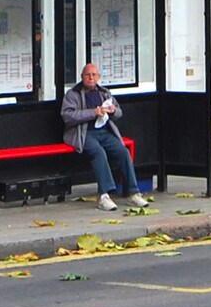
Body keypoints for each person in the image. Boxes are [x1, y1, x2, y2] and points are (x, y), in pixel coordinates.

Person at [61, 61, 148, 211]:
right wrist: (93, 113)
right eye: (87, 75)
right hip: (84, 133)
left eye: (94, 75)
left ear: (99, 77)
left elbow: (119, 113)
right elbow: (67, 116)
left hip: (105, 132)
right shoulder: (73, 94)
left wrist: (113, 110)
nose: (91, 78)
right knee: (98, 153)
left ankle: (133, 192)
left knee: (123, 152)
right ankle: (104, 195)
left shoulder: (104, 92)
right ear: (82, 77)